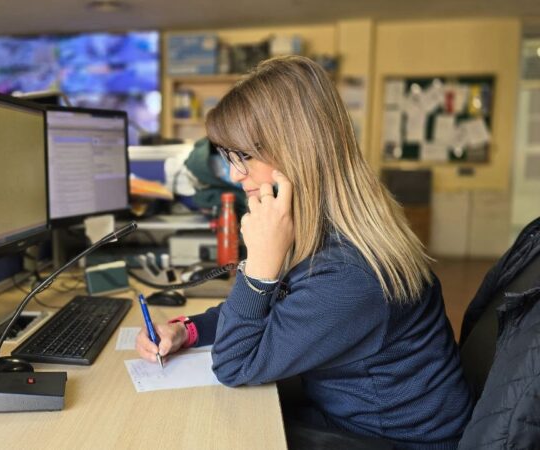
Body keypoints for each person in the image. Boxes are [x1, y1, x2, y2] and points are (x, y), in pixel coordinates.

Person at [135, 56, 473, 449]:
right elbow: (267, 314)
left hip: (387, 440)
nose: (234, 175)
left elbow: (234, 364)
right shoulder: (332, 231)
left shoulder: (350, 273)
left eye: (244, 156)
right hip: (350, 416)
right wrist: (186, 330)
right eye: (229, 156)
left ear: (297, 154)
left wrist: (260, 268)